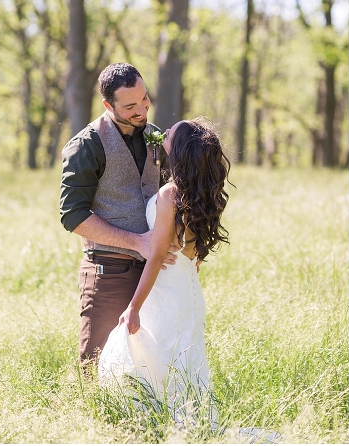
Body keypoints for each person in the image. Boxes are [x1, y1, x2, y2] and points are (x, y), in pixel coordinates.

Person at [98, 117, 231, 420]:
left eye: (171, 132)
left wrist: (133, 307)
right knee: (182, 363)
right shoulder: (197, 195)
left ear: (180, 149)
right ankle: (187, 424)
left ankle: (166, 425)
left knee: (154, 358)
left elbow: (156, 257)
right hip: (188, 292)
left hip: (167, 292)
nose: (165, 131)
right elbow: (189, 250)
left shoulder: (170, 194)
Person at [60, 63, 175, 365]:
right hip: (108, 272)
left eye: (144, 99)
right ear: (108, 105)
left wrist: (172, 241)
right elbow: (73, 216)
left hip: (155, 273)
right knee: (95, 364)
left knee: (149, 364)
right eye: (130, 106)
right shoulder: (86, 145)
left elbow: (171, 197)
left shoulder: (157, 138)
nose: (142, 109)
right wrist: (137, 242)